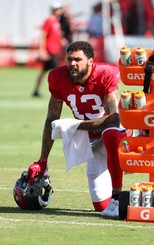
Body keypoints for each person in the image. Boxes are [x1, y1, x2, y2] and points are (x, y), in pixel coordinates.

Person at [27, 40, 133, 218]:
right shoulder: (58, 78)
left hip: (120, 133)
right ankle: (133, 200)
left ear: (90, 61)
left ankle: (116, 197)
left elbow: (113, 119)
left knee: (111, 133)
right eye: (69, 59)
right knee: (100, 205)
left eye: (77, 59)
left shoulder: (104, 74)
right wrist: (42, 160)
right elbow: (51, 119)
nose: (72, 64)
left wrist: (75, 125)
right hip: (91, 139)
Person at [32, 1, 67, 97]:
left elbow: (56, 34)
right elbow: (43, 36)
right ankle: (58, 91)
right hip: (50, 50)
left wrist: (61, 40)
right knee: (57, 72)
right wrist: (42, 51)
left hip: (55, 50)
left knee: (45, 71)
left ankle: (36, 90)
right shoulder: (49, 20)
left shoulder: (56, 21)